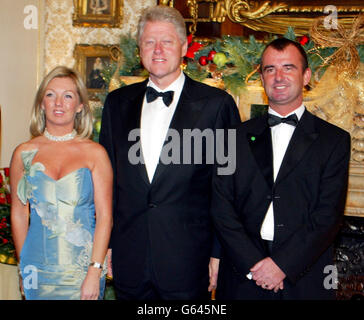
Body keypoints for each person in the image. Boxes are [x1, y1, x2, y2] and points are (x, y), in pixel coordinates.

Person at [99, 5, 240, 300]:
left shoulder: (217, 105)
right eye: (149, 42)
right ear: (140, 50)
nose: (158, 49)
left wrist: (219, 253)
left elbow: (228, 187)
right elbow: (106, 183)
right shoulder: (116, 103)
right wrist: (107, 245)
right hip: (130, 258)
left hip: (189, 262)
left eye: (167, 41)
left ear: (184, 46)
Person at [211, 38, 351, 300]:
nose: (278, 76)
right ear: (261, 78)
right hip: (243, 275)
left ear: (306, 75)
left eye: (289, 67)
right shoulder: (232, 138)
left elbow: (327, 216)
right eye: (270, 69)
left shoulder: (334, 141)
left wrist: (281, 266)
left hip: (304, 276)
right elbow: (222, 208)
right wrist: (255, 266)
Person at [10, 66, 113, 300]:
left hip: (82, 270)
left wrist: (94, 270)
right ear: (41, 104)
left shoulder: (95, 153)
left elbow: (105, 216)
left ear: (79, 106)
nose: (58, 103)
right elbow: (18, 214)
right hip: (37, 268)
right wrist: (23, 266)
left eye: (67, 96)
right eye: (50, 95)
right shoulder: (23, 153)